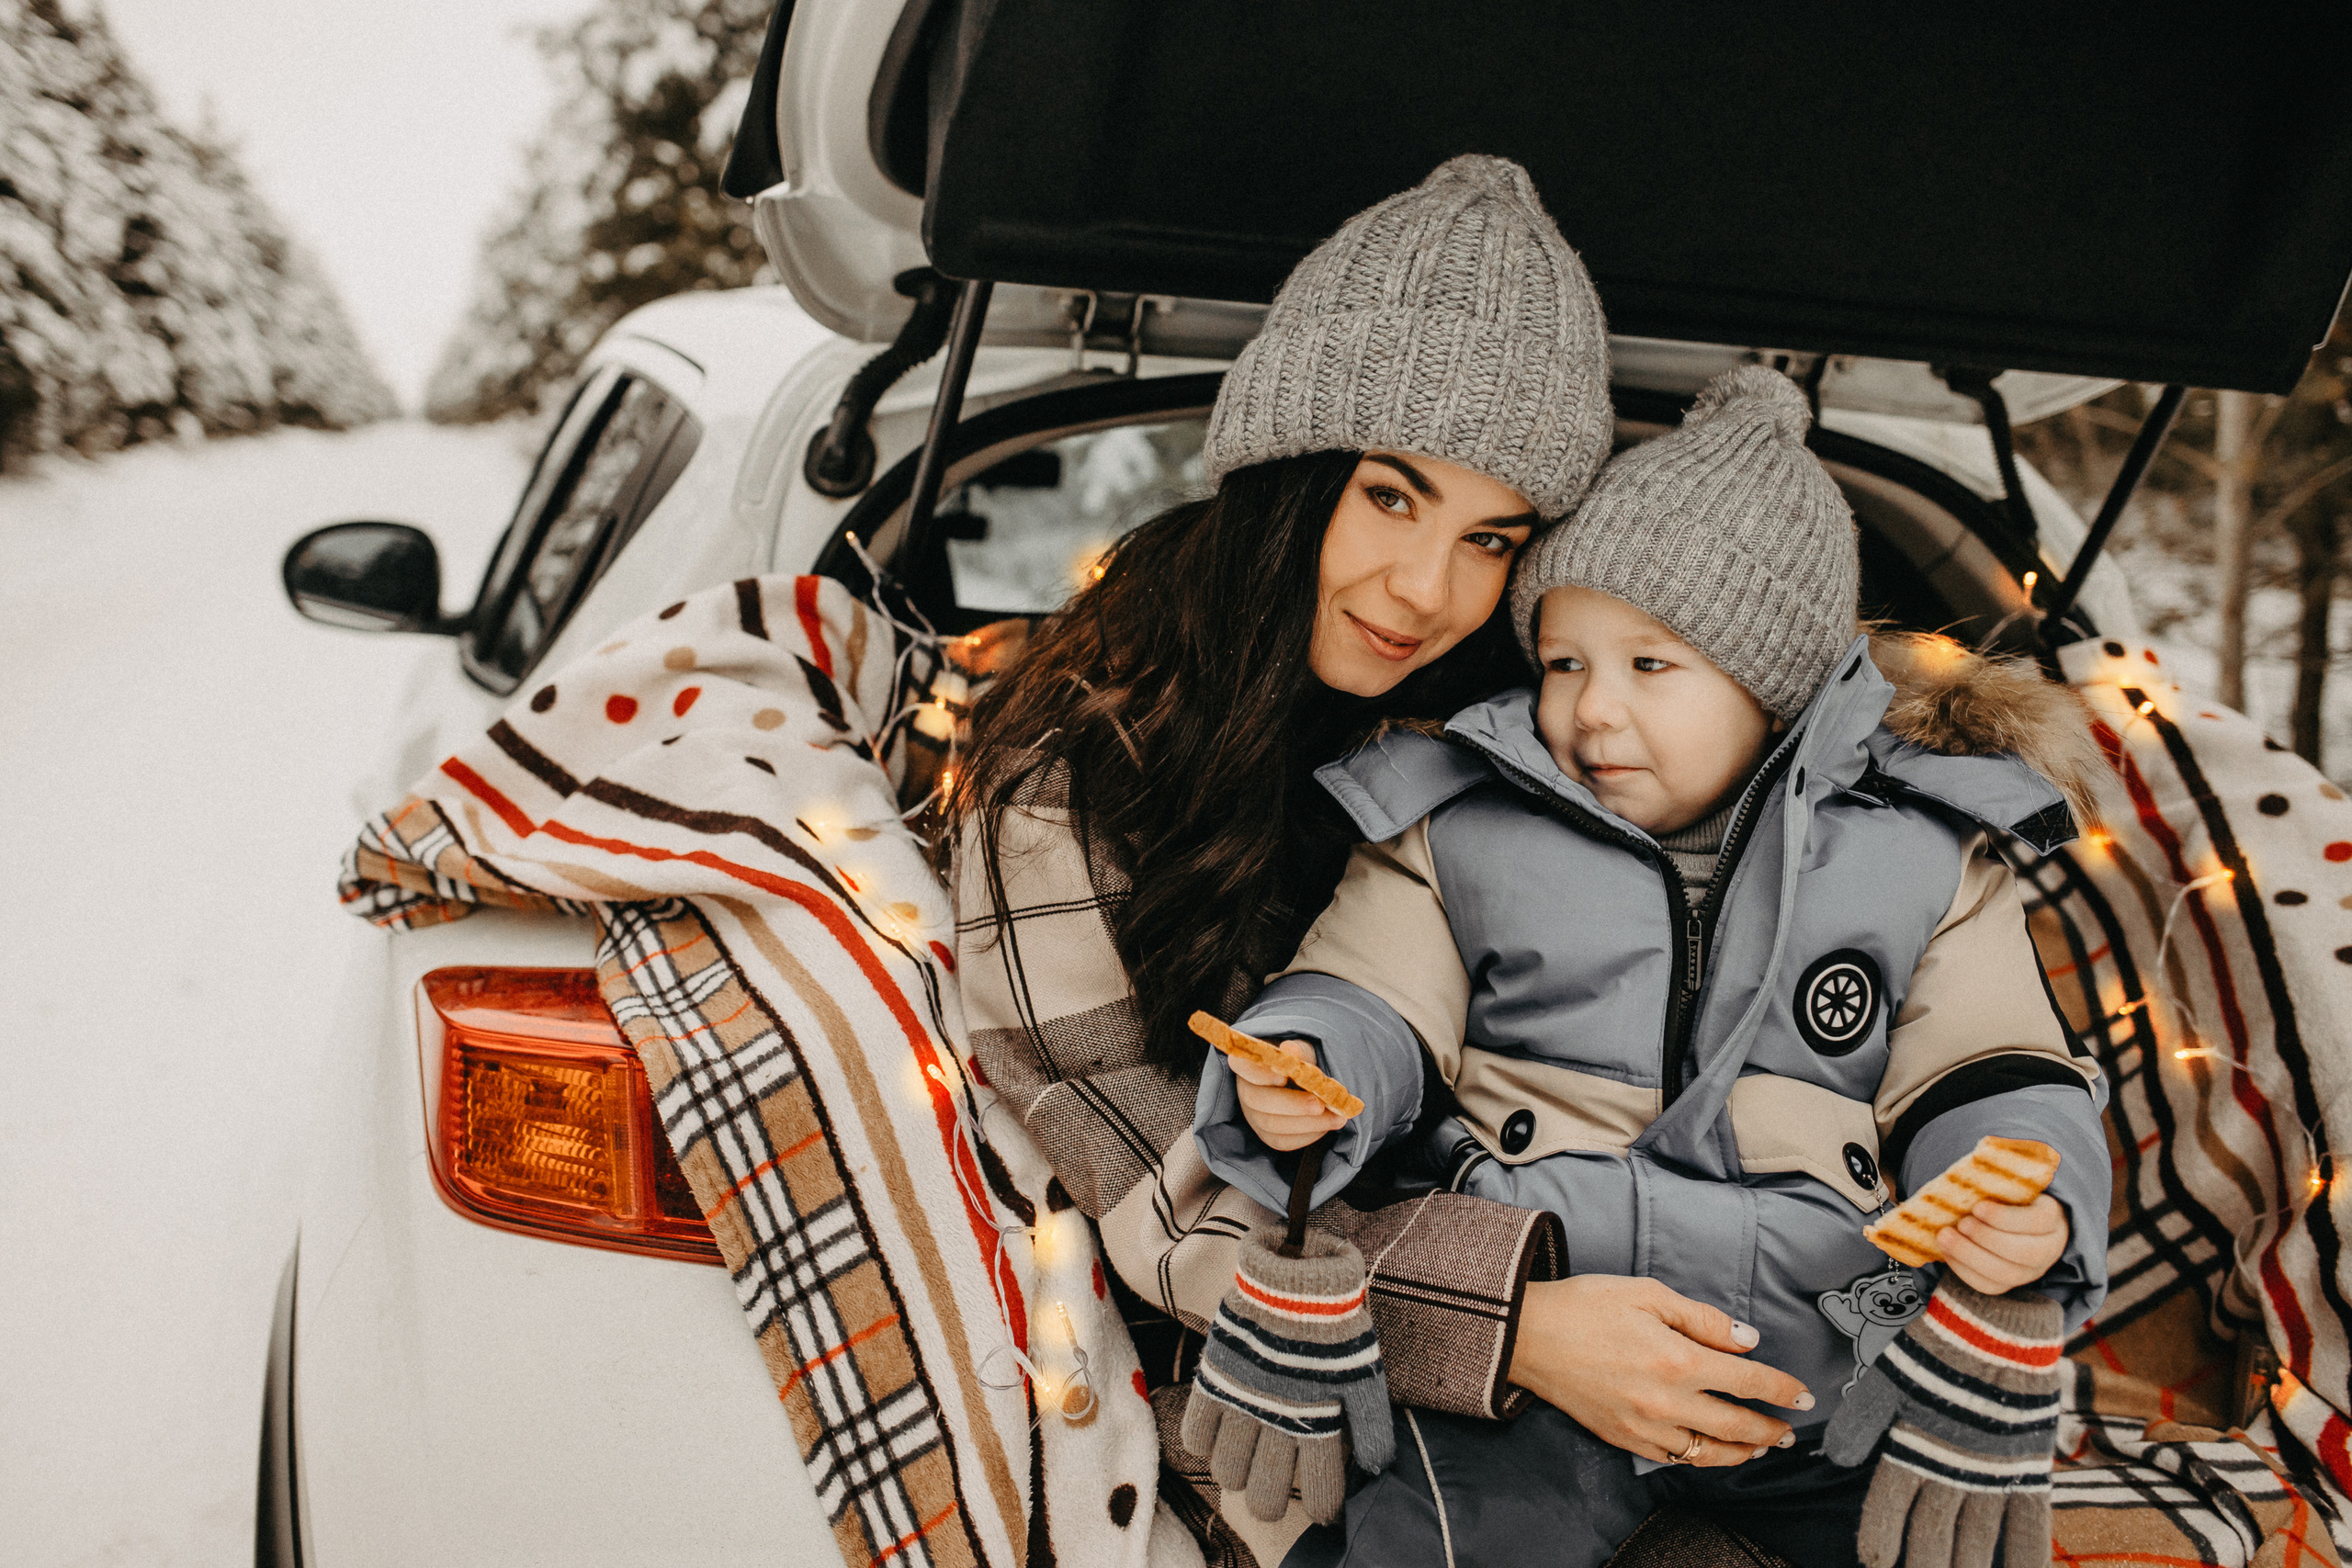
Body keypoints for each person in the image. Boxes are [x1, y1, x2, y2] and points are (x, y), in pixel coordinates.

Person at [1192, 367, 2112, 1568]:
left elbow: (1995, 1066)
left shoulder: (1925, 855)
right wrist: (1313, 1061)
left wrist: (2027, 1207)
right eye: (1565, 664)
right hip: (1537, 1368)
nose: (1593, 713)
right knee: (1439, 1544)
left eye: (1650, 666)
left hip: (1822, 1366)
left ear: (1772, 688)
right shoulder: (1464, 824)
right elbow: (1371, 988)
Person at [950, 153, 1615, 1561]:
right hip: (1277, 1378)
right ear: (1287, 472)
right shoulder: (1070, 768)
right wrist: (1515, 1326)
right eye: (1390, 497)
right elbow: (1138, 1158)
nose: (1426, 592)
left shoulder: (1530, 734)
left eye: (1491, 537)